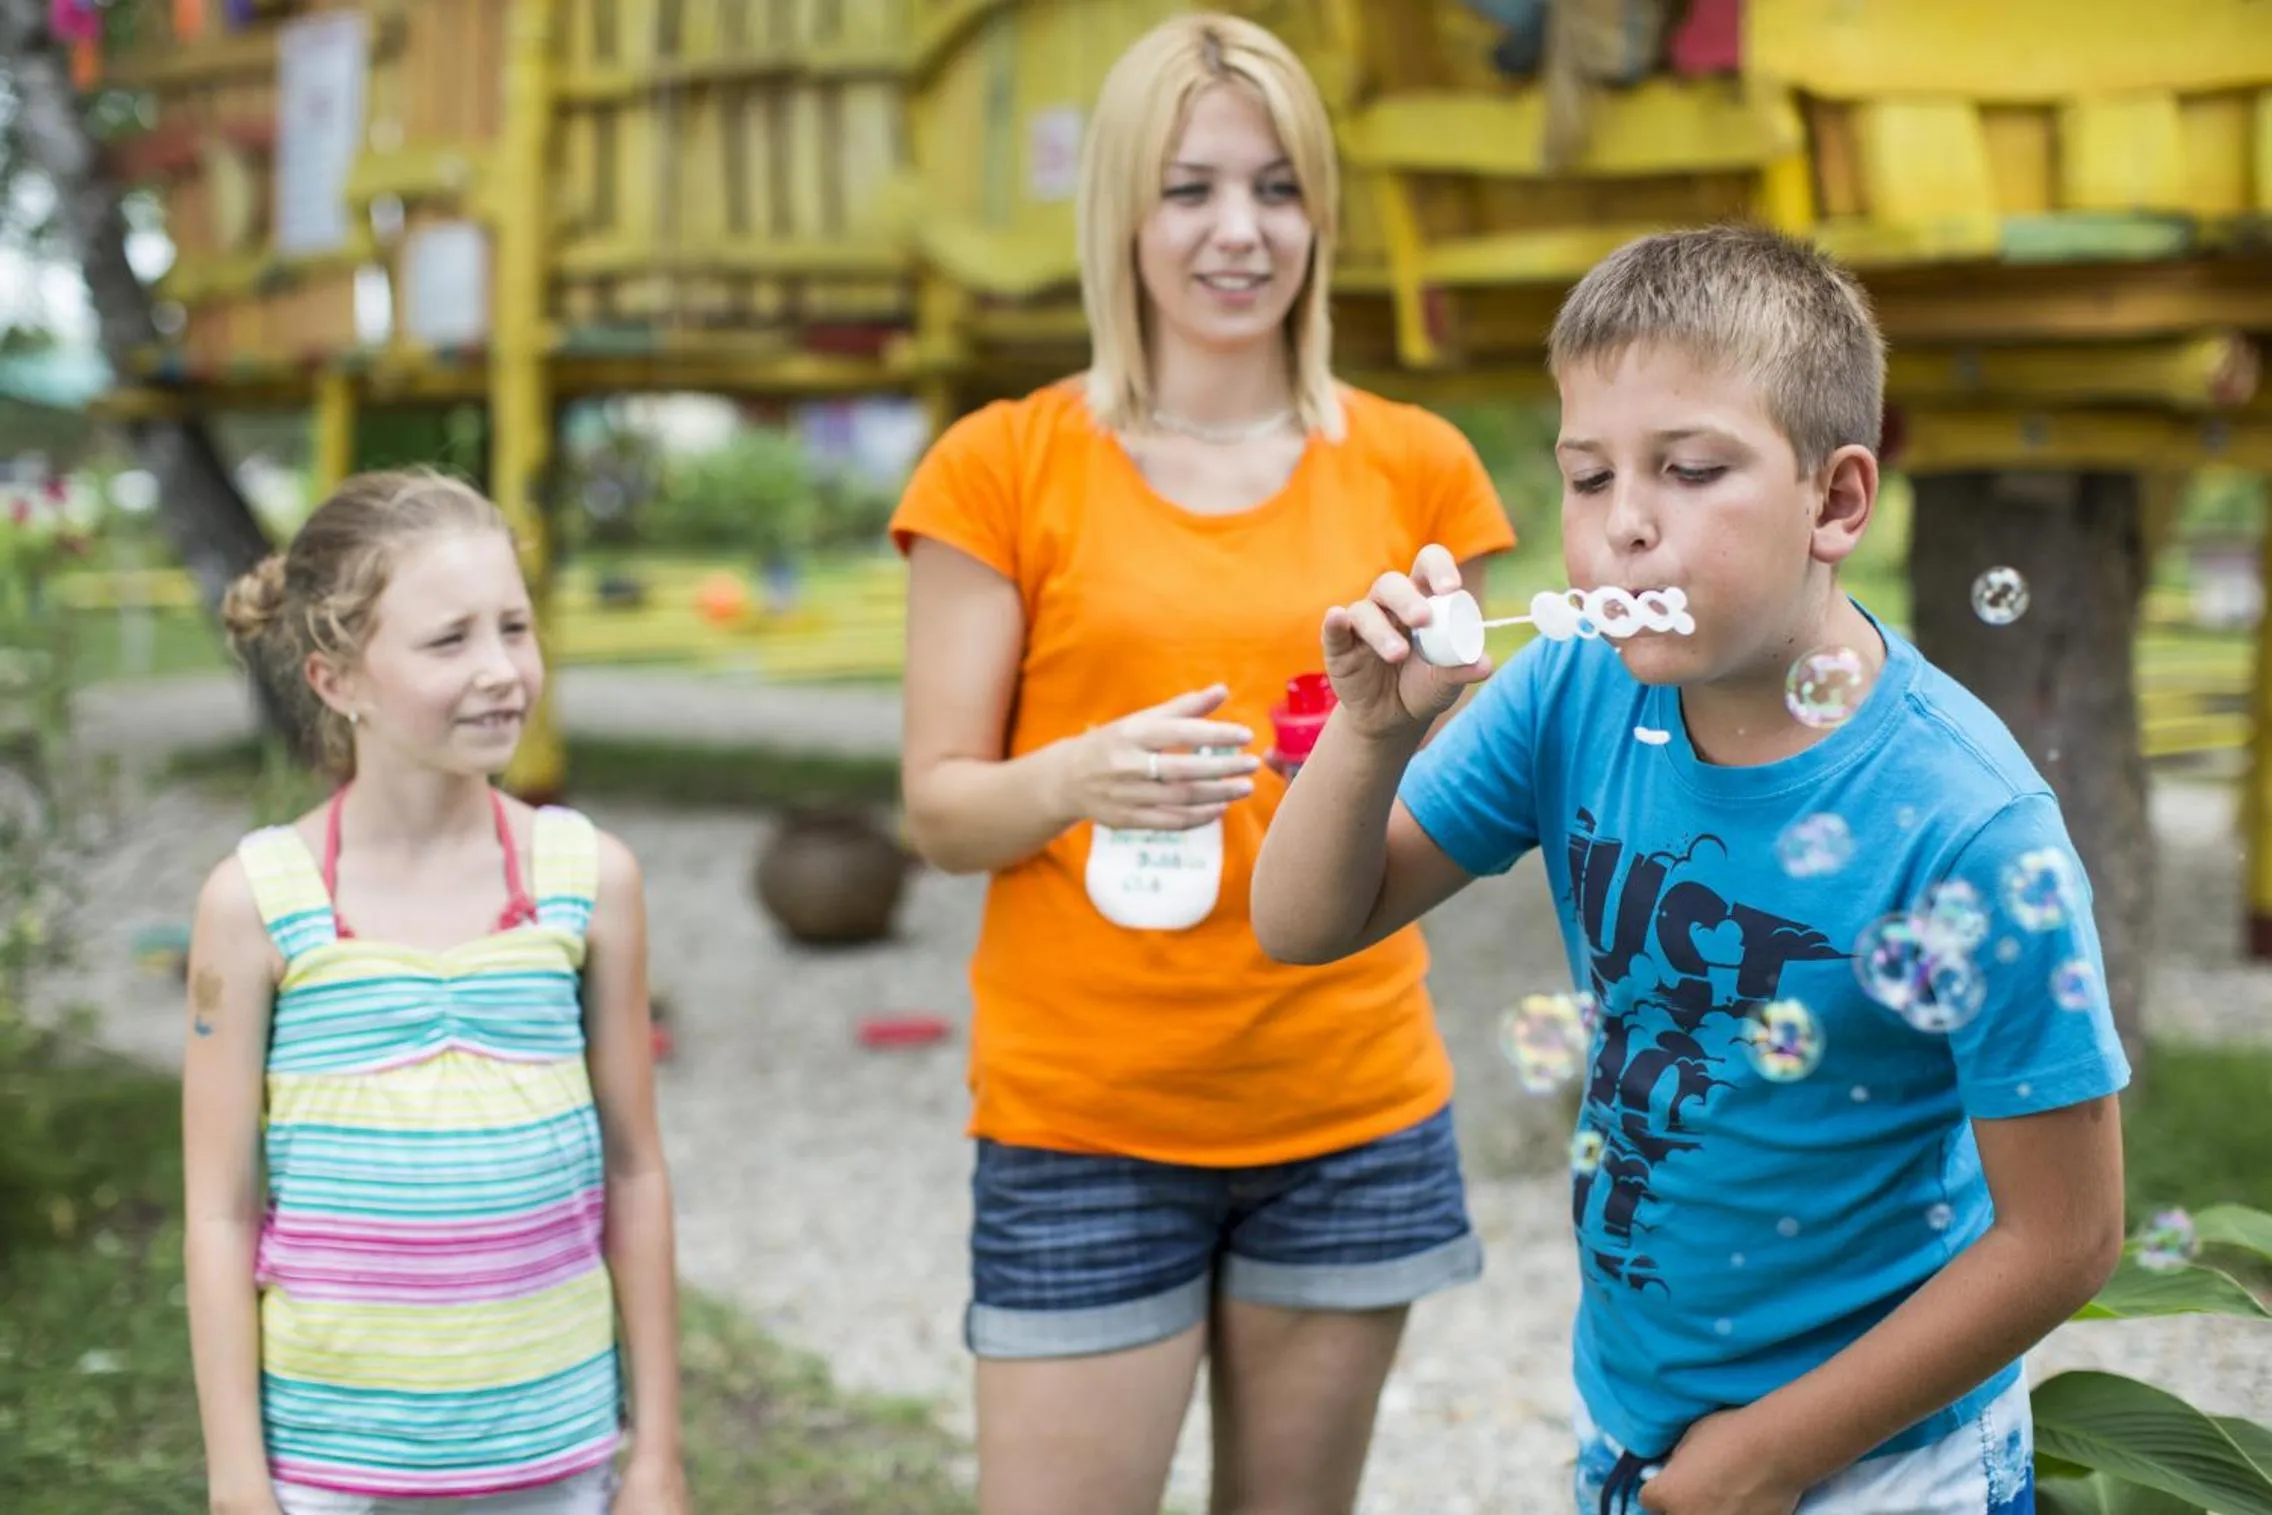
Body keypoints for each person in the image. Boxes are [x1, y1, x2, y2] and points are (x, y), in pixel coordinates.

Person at [1250, 225, 2130, 1514]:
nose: (1625, 530)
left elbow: (2066, 1236)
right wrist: (1373, 733)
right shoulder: (1570, 689)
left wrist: (1765, 1460)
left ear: (1834, 501)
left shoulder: (1962, 823)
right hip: (1637, 1414)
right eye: (1589, 478)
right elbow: (1306, 921)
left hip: (1885, 1461)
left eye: (1691, 470)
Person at [887, 13, 1517, 1515]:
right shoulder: (1003, 463)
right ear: (1122, 211)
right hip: (1083, 1116)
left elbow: (1470, 789)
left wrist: (1395, 733)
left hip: (1350, 1107)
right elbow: (938, 809)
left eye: (1279, 188)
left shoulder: (1420, 467)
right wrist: (1075, 774)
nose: (1242, 230)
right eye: (1191, 188)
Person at [182, 470, 686, 1515]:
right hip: (331, 1473)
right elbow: (222, 1212)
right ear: (336, 679)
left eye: (515, 626)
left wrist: (656, 1458)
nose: (502, 670)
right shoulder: (256, 905)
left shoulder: (590, 882)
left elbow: (634, 1172)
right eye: (449, 640)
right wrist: (237, 1482)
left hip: (558, 1461)